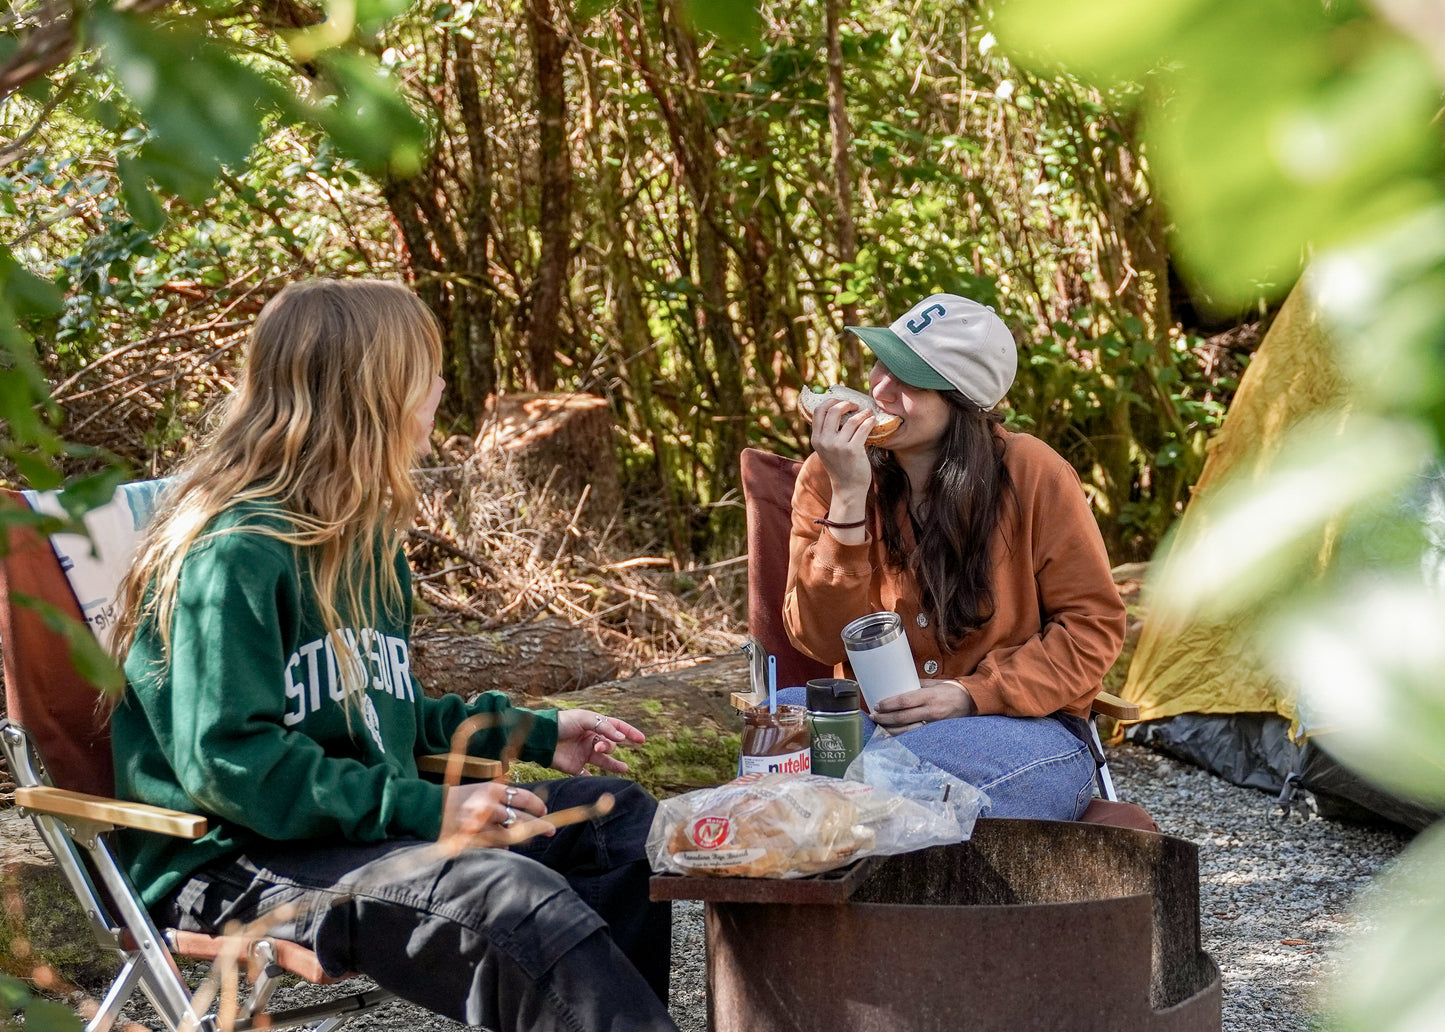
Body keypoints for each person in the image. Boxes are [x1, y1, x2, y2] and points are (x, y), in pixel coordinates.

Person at [108, 278, 678, 1032]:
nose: (441, 387)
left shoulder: (363, 542)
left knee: (618, 826)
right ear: (368, 396)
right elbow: (229, 763)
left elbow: (384, 716)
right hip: (229, 863)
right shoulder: (235, 553)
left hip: (339, 835)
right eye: (424, 372)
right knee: (506, 896)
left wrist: (534, 732)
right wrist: (422, 806)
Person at [783, 293, 1127, 820]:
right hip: (877, 720)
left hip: (1021, 726)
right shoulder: (827, 474)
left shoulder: (1035, 473)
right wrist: (849, 497)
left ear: (962, 402)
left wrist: (972, 693)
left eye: (909, 379)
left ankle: (850, 820)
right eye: (880, 363)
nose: (879, 388)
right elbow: (820, 638)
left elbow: (1093, 628)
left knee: (890, 776)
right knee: (775, 726)